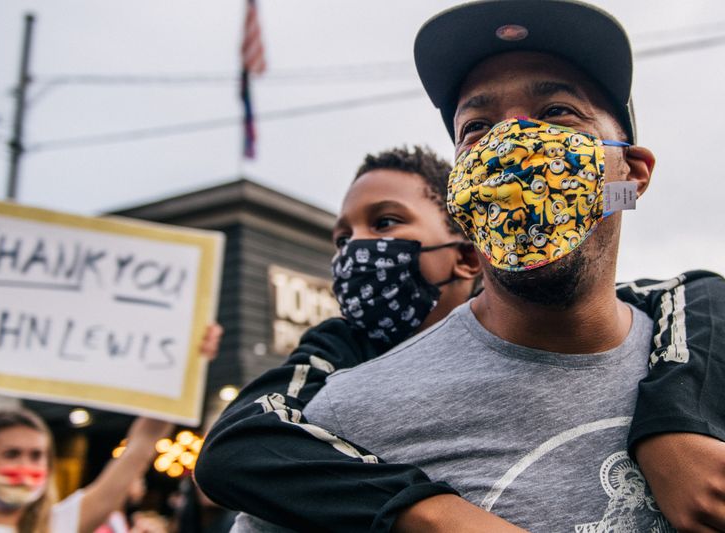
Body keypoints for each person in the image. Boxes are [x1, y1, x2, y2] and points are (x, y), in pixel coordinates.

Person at [277, 1, 725, 531]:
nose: (509, 143)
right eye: (477, 126)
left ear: (630, 173)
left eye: (557, 111)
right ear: (460, 191)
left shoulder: (704, 363)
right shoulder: (346, 418)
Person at [195, 145, 725, 531]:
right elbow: (236, 446)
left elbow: (695, 292)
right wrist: (429, 514)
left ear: (467, 254)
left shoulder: (637, 318)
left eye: (384, 223)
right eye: (342, 237)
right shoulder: (340, 351)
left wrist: (676, 425)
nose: (356, 250)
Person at [0, 325, 223, 533]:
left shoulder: (62, 524)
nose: (25, 466)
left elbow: (141, 445)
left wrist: (187, 364)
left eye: (36, 455)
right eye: (12, 453)